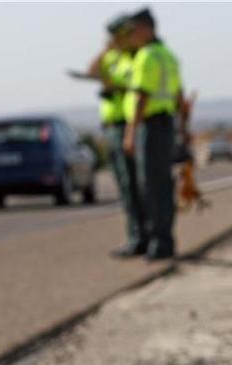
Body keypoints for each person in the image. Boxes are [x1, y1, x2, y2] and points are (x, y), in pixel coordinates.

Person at [123, 8, 189, 260]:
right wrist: (182, 128)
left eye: (134, 30)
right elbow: (179, 96)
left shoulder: (146, 56)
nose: (131, 36)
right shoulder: (168, 56)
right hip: (166, 125)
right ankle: (165, 239)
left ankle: (158, 242)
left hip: (150, 126)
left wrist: (130, 133)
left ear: (146, 28)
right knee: (163, 184)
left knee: (150, 186)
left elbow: (141, 97)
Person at [87, 14, 147, 257]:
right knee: (125, 186)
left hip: (126, 125)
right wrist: (105, 50)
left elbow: (138, 90)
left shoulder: (133, 59)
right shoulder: (112, 57)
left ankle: (141, 236)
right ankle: (136, 235)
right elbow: (91, 71)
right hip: (111, 126)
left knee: (134, 185)